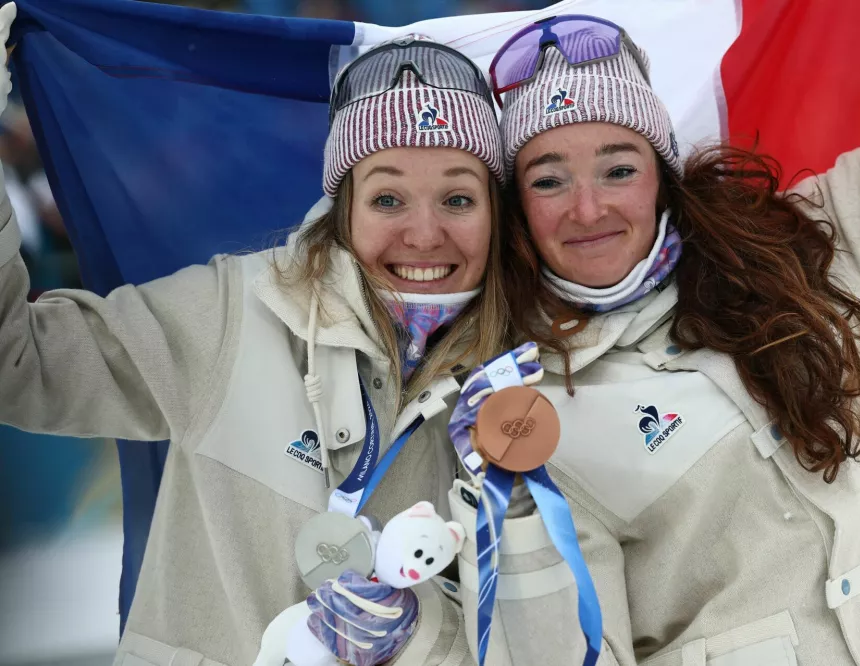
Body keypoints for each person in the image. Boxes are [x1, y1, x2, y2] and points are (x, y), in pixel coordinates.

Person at [439, 5, 860, 666]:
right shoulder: (532, 414)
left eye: (618, 169)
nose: (587, 208)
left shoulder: (821, 245)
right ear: (517, 209)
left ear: (661, 175)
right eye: (549, 181)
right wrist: (514, 511)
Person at [0, 11, 511, 663]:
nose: (423, 233)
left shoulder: (523, 383)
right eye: (387, 198)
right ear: (342, 204)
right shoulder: (231, 313)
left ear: (496, 213)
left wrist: (425, 635)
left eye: (458, 199)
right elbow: (16, 363)